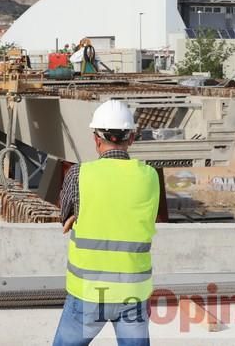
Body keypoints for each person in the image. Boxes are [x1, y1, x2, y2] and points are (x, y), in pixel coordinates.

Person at [53, 100, 159, 346]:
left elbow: (64, 216)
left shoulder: (79, 174)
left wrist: (76, 215)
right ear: (131, 138)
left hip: (88, 292)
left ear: (96, 139)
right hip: (133, 292)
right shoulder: (150, 177)